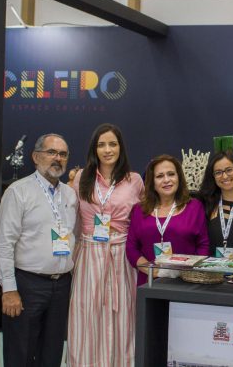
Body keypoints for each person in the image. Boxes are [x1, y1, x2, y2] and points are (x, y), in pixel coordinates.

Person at [0, 133, 77, 367]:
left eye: (63, 154)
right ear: (35, 156)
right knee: (20, 353)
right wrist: (9, 289)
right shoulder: (18, 191)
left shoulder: (70, 195)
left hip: (61, 286)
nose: (57, 158)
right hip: (27, 285)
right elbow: (4, 244)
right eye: (51, 152)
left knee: (52, 354)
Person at [67, 123, 144, 367]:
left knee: (122, 315)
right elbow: (73, 218)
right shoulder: (81, 178)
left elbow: (142, 220)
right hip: (89, 254)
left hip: (121, 255)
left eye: (112, 144)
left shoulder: (134, 180)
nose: (107, 150)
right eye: (101, 145)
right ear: (94, 149)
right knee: (87, 314)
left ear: (121, 147)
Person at [126, 154, 210, 285]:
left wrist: (192, 272)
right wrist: (149, 269)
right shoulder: (139, 210)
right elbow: (131, 247)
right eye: (160, 176)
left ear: (179, 177)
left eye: (171, 174)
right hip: (149, 282)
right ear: (152, 182)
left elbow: (203, 245)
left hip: (186, 282)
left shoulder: (194, 207)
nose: (166, 180)